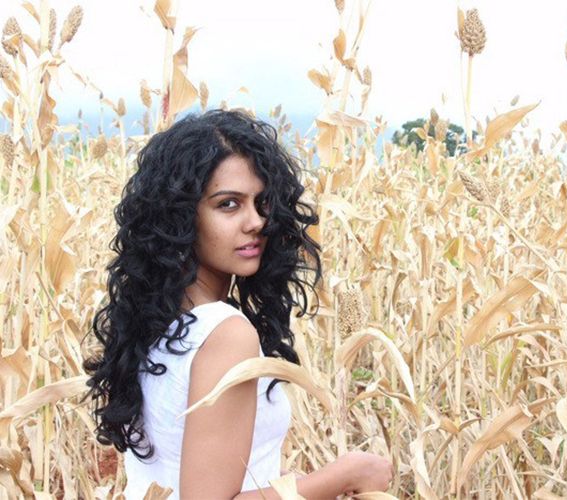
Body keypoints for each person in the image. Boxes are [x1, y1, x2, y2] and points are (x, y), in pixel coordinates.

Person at [82, 109, 393, 499]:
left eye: (261, 202)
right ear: (179, 217)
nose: (256, 221)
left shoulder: (155, 323)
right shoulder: (225, 334)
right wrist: (345, 474)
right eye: (228, 204)